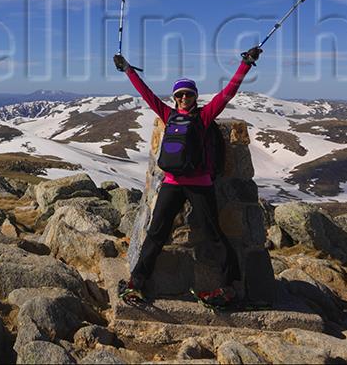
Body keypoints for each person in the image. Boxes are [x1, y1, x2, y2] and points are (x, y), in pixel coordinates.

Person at [112, 46, 262, 307]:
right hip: (172, 183)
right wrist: (127, 70)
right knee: (156, 231)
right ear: (175, 97)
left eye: (188, 94)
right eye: (179, 94)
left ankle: (229, 287)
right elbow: (146, 94)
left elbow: (227, 94)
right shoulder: (168, 115)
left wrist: (245, 64)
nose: (183, 98)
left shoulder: (204, 116)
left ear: (194, 97)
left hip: (200, 185)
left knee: (213, 235)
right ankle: (138, 281)